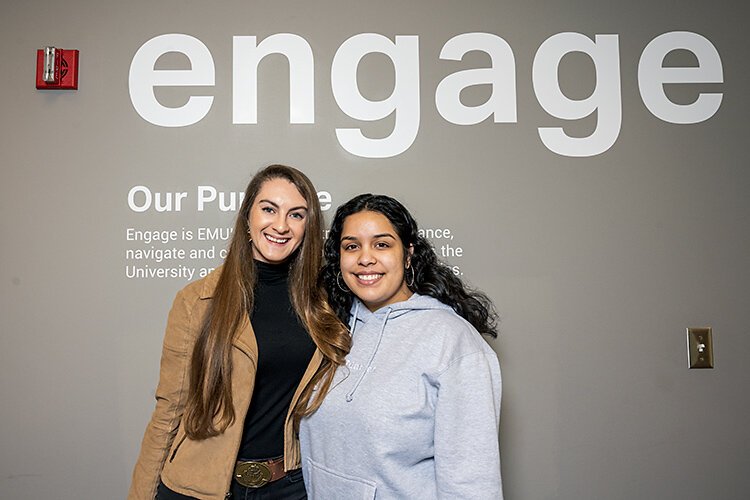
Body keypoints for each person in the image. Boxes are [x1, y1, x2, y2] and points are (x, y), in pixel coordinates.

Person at [129, 165, 350, 500]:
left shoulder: (324, 302)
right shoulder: (197, 301)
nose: (280, 225)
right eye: (269, 209)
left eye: (296, 215)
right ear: (247, 215)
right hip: (199, 487)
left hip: (290, 487)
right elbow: (168, 412)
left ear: (308, 226)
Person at [300, 194, 503, 499]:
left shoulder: (454, 343)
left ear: (408, 255)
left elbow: (472, 481)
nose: (365, 258)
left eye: (382, 244)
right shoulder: (332, 329)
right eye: (352, 246)